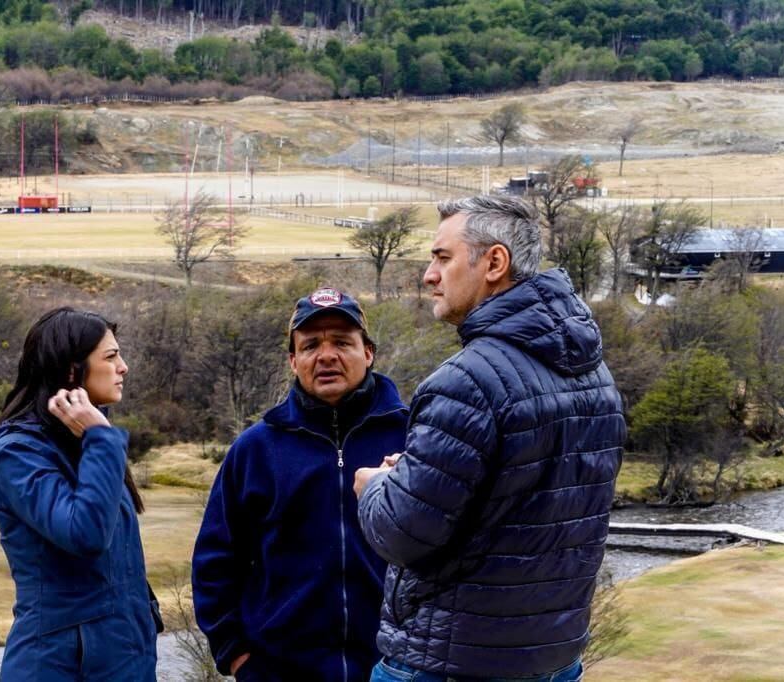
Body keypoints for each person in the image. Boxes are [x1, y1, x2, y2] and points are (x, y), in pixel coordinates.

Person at [355, 196, 626, 682]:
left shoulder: (468, 381)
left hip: (451, 662)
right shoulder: (595, 375)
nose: (429, 274)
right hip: (554, 660)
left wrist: (375, 486)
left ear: (494, 263)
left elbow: (402, 532)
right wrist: (416, 477)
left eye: (442, 257)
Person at [192, 288, 409, 682]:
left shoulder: (414, 437)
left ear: (368, 353)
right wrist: (236, 652)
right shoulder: (255, 450)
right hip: (278, 669)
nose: (326, 356)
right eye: (310, 346)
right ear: (294, 361)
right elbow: (215, 561)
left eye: (342, 342)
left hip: (395, 667)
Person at [0, 307, 159, 681]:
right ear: (71, 371)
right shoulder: (18, 451)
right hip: (59, 665)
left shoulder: (81, 441)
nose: (123, 367)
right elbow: (85, 534)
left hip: (121, 658)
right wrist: (101, 439)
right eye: (110, 357)